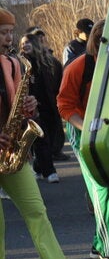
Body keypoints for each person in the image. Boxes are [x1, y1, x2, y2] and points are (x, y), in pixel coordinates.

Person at [0, 6, 95, 259]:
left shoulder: (14, 63)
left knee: (38, 213)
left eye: (10, 32)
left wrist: (29, 106)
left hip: (12, 151)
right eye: (2, 33)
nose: (8, 38)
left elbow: (23, 108)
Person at [56, 20, 109, 259]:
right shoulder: (79, 66)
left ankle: (98, 243)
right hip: (83, 129)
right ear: (98, 40)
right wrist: (88, 128)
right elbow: (65, 105)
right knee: (103, 188)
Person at [19, 30, 63, 183]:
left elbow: (59, 83)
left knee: (50, 140)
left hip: (50, 107)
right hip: (31, 108)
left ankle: (39, 167)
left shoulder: (50, 62)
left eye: (28, 42)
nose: (25, 45)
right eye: (23, 43)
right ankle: (50, 172)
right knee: (41, 139)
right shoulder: (20, 63)